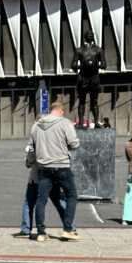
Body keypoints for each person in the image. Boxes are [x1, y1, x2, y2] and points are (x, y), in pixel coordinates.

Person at [30, 99, 80, 242]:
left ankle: (40, 232)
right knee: (71, 195)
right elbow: (74, 143)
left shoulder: (36, 125)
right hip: (61, 166)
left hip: (43, 168)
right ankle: (68, 229)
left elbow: (32, 146)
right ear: (61, 111)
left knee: (42, 200)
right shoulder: (64, 122)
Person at [16, 142, 65, 237]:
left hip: (36, 179)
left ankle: (26, 229)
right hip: (53, 178)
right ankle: (70, 227)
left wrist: (28, 162)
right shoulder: (55, 141)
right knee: (60, 203)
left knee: (29, 204)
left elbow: (30, 159)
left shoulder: (37, 138)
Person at [70, 29, 105, 128]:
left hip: (94, 78)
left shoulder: (98, 50)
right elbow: (73, 65)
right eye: (88, 35)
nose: (90, 36)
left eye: (92, 35)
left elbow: (104, 64)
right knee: (82, 100)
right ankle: (81, 122)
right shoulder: (79, 50)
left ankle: (96, 122)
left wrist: (94, 65)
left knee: (94, 100)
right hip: (83, 78)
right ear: (85, 37)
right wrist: (83, 66)